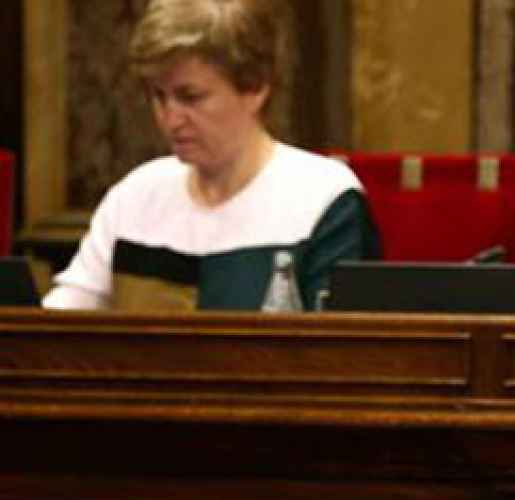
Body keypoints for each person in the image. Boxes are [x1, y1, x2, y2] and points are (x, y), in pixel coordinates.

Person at [44, 0, 378, 312]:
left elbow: (343, 355)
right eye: (159, 96)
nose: (170, 119)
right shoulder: (135, 198)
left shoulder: (322, 200)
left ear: (255, 87)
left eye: (190, 97)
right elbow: (62, 325)